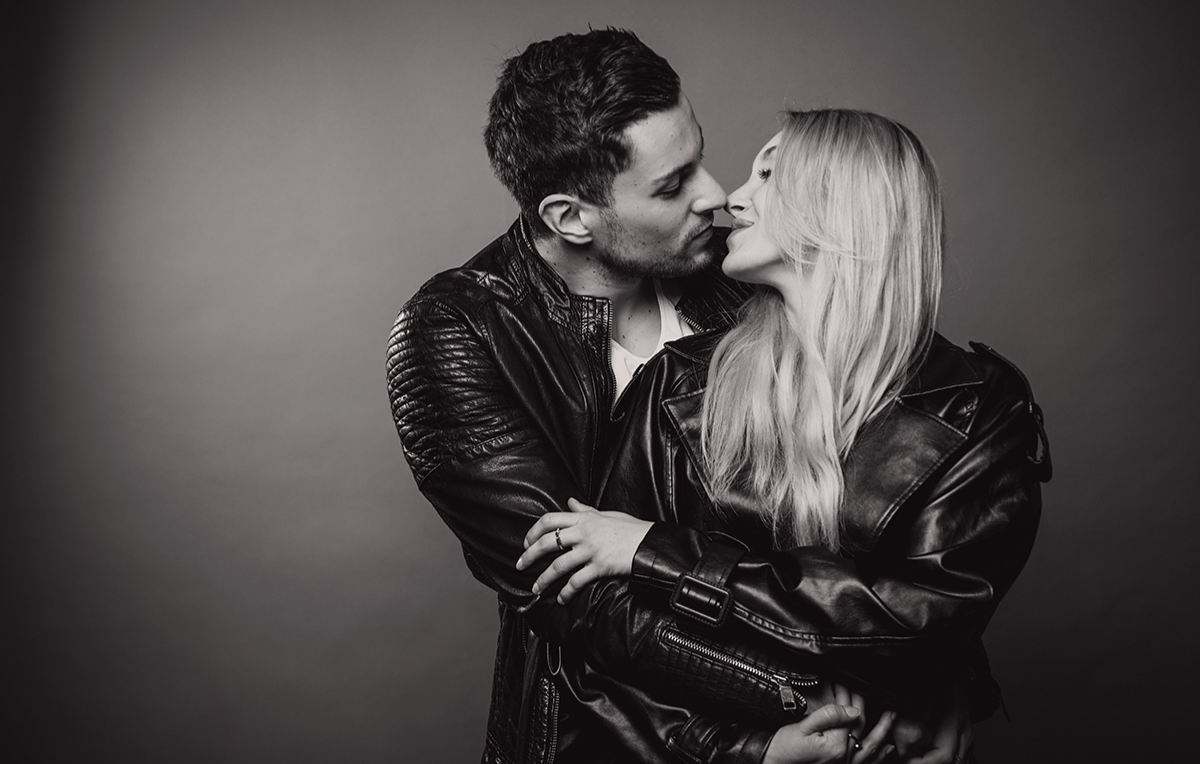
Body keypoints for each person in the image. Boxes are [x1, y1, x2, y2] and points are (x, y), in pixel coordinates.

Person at [390, 28, 982, 764]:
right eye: (672, 186)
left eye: (699, 155)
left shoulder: (742, 274)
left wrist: (940, 677)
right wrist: (782, 720)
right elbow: (577, 595)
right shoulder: (461, 331)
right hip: (611, 737)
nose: (715, 195)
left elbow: (889, 472)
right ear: (570, 218)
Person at [519, 109, 1051, 763]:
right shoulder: (678, 386)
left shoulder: (979, 409)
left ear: (840, 204)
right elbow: (593, 621)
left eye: (769, 175)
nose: (733, 199)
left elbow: (915, 629)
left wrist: (654, 551)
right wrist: (753, 746)